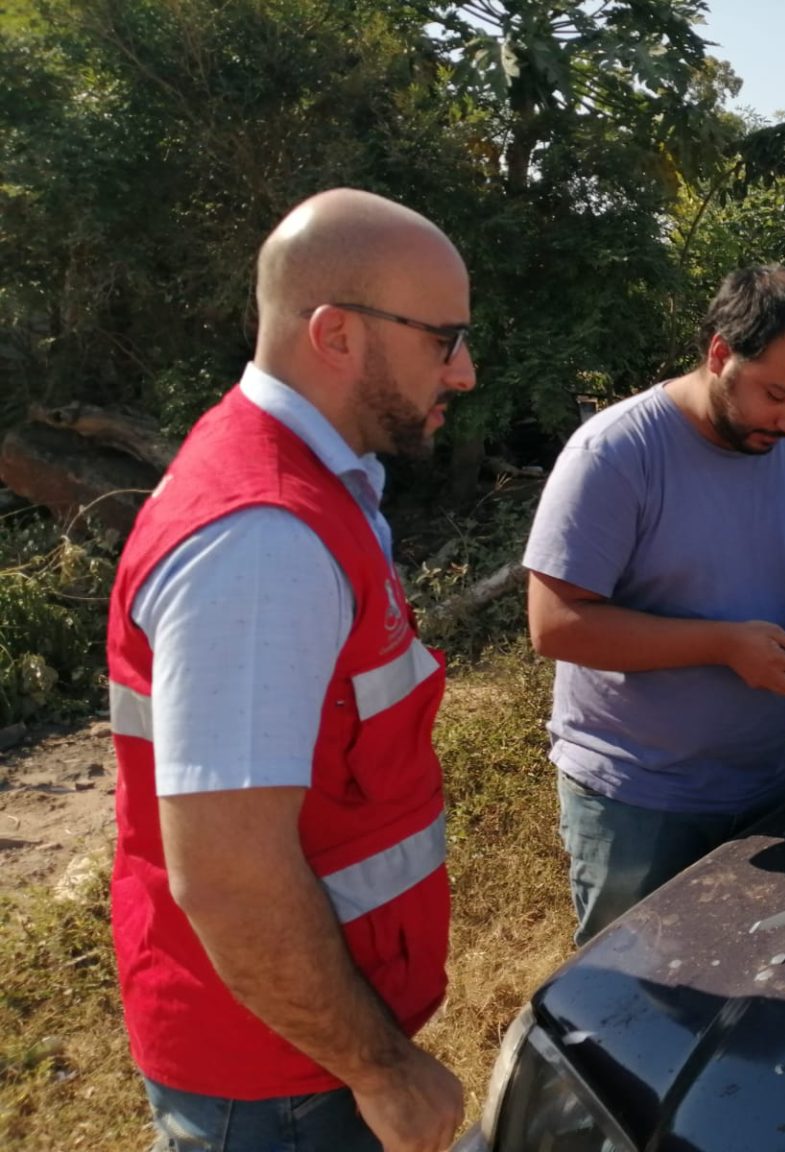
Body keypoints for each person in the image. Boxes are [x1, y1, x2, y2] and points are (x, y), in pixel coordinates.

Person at [106, 188, 476, 1152]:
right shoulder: (264, 538)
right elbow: (229, 875)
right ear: (336, 334)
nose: (465, 371)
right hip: (280, 1084)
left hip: (299, 1050)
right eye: (444, 340)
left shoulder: (313, 487)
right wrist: (382, 1070)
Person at [522, 265, 785, 945]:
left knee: (771, 972)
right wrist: (722, 645)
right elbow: (554, 625)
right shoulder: (616, 453)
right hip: (637, 799)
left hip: (768, 784)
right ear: (719, 353)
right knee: (633, 990)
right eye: (777, 395)